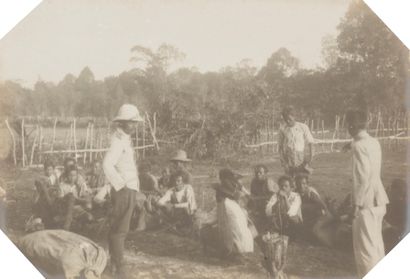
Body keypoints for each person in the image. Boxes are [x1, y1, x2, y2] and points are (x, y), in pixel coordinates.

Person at [346, 109, 389, 278]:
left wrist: (355, 206)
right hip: (379, 201)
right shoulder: (373, 142)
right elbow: (359, 143)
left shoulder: (358, 146)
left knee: (365, 251)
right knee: (377, 246)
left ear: (351, 125)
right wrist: (348, 144)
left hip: (365, 204)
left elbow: (362, 178)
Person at [103, 104, 143, 279]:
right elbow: (107, 164)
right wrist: (121, 186)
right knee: (120, 230)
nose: (134, 126)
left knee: (119, 228)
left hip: (129, 189)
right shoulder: (118, 140)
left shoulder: (124, 139)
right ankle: (119, 269)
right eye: (131, 123)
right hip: (124, 190)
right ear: (123, 123)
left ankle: (113, 265)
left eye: (135, 123)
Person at [213, 168, 254, 260]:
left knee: (239, 227)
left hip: (231, 205)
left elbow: (243, 194)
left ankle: (240, 249)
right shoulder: (226, 185)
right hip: (228, 205)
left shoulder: (234, 184)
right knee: (236, 227)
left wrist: (245, 196)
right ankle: (237, 250)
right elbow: (237, 195)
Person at [278, 106, 315, 178]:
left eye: (289, 119)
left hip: (301, 158)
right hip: (288, 158)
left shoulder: (303, 127)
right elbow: (280, 147)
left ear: (294, 116)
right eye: (285, 119)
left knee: (301, 179)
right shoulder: (283, 129)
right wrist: (283, 162)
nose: (288, 121)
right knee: (290, 180)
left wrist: (310, 157)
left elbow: (311, 142)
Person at [57, 165, 93, 231]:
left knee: (89, 217)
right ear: (66, 175)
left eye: (74, 175)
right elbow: (60, 200)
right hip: (66, 208)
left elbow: (86, 198)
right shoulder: (62, 185)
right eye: (70, 175)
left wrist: (81, 198)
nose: (72, 177)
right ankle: (66, 227)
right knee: (70, 196)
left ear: (77, 176)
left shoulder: (78, 186)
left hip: (77, 209)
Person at [249, 164, 278, 234]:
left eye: (260, 172)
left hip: (271, 205)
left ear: (265, 174)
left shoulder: (269, 182)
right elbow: (253, 195)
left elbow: (273, 197)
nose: (258, 174)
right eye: (257, 172)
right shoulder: (254, 182)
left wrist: (258, 198)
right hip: (259, 205)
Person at [33, 159, 61, 228]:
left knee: (54, 204)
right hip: (44, 198)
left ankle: (51, 220)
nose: (49, 171)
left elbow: (58, 188)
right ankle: (43, 221)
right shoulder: (41, 178)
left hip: (53, 197)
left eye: (50, 169)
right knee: (42, 204)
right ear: (44, 170)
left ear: (53, 169)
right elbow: (37, 191)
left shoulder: (55, 178)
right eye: (47, 169)